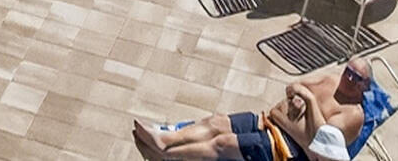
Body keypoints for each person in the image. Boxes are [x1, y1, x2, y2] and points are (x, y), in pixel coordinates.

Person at [133, 57, 384, 161]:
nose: (348, 79)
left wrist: (307, 100)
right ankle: (166, 137)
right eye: (348, 71)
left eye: (356, 78)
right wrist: (297, 96)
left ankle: (169, 153)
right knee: (216, 123)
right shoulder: (331, 80)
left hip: (287, 151)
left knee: (223, 142)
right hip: (270, 123)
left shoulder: (353, 115)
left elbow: (320, 144)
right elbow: (293, 86)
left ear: (366, 86)